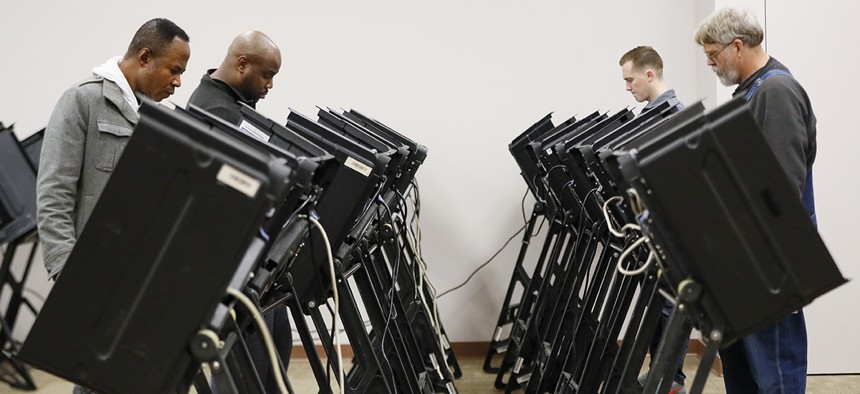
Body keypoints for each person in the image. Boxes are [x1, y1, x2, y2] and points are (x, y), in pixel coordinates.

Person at [36, 18, 190, 394]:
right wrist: (66, 272)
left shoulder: (161, 118)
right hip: (94, 278)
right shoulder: (83, 100)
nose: (178, 82)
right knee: (96, 381)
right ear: (144, 56)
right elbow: (54, 193)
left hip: (143, 281)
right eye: (174, 70)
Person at [695, 7, 817, 394]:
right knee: (744, 370)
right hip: (746, 256)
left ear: (737, 46)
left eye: (713, 54)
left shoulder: (776, 91)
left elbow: (781, 187)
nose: (711, 63)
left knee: (775, 372)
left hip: (771, 259)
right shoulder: (751, 92)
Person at [187, 31, 291, 392]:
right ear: (242, 64)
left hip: (252, 256)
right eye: (267, 75)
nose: (270, 85)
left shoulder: (233, 106)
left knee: (272, 355)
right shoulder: (215, 109)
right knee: (246, 367)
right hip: (229, 262)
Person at [619, 45, 688, 394]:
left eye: (630, 79)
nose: (628, 87)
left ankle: (670, 378)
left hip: (675, 224)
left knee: (670, 305)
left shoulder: (673, 115)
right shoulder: (651, 116)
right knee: (657, 302)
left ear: (650, 74)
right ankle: (662, 375)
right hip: (656, 221)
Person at [619, 45, 682, 113]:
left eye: (630, 80)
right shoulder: (657, 112)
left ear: (649, 76)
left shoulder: (675, 113)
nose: (627, 88)